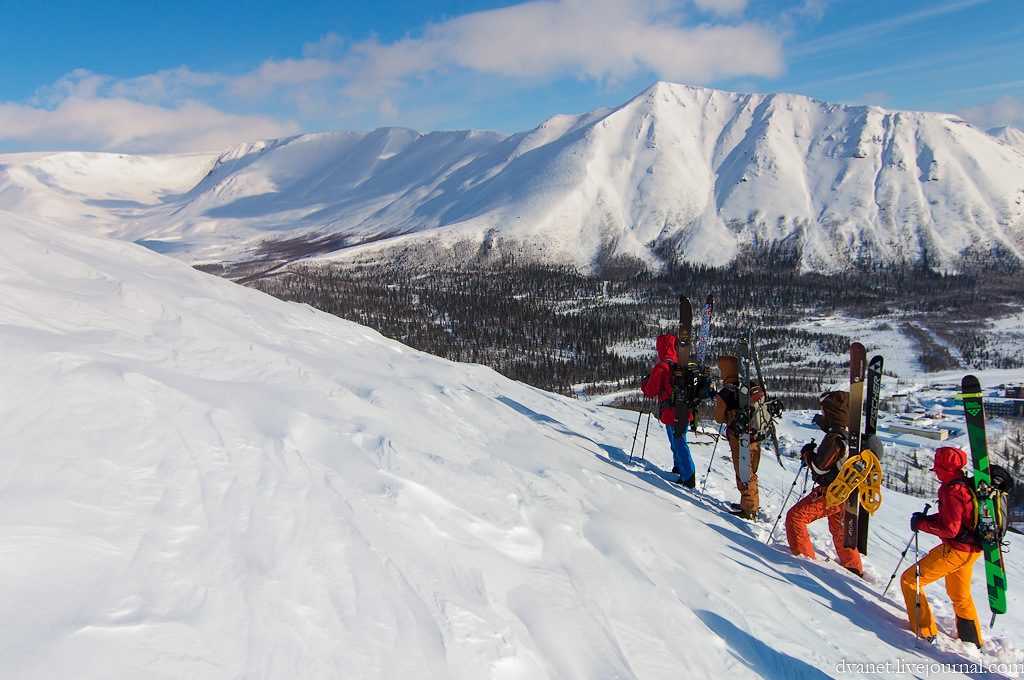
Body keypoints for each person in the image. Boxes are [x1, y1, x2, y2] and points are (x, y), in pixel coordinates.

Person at [900, 446, 983, 647]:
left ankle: (925, 632)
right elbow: (957, 518)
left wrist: (921, 524)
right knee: (960, 596)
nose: (935, 471)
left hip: (956, 550)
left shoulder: (952, 490)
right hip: (971, 550)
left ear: (943, 468)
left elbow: (950, 529)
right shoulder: (965, 484)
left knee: (910, 580)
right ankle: (973, 641)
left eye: (937, 467)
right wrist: (929, 519)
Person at [784, 390, 864, 577]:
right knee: (840, 529)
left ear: (832, 412)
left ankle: (804, 563)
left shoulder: (836, 437)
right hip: (848, 492)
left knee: (796, 517)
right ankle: (853, 567)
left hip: (832, 491)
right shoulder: (852, 435)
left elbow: (820, 467)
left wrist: (807, 454)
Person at [641, 334, 696, 487]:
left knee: (678, 443)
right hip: (685, 410)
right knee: (677, 441)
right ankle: (679, 469)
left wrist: (644, 384)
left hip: (671, 412)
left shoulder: (663, 366)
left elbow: (650, 391)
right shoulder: (682, 363)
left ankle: (688, 477)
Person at [713, 355, 760, 519]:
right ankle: (749, 503)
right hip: (756, 435)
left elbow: (718, 417)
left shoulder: (727, 391)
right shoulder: (751, 386)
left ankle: (749, 508)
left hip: (738, 437)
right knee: (751, 470)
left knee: (744, 470)